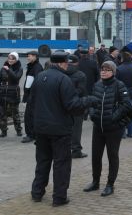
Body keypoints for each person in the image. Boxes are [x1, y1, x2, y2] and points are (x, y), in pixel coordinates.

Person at [30, 51, 89, 206]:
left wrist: (32, 127)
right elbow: (72, 105)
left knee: (42, 162)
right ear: (64, 63)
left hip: (41, 128)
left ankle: (37, 193)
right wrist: (87, 102)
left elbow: (31, 103)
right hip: (60, 130)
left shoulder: (40, 77)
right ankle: (59, 197)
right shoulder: (64, 79)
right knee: (61, 164)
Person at [83, 60, 132, 197]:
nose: (103, 72)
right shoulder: (97, 85)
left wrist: (113, 117)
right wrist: (92, 114)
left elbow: (126, 105)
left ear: (113, 72)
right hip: (98, 127)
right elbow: (92, 101)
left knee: (112, 156)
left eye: (107, 69)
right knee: (96, 156)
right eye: (102, 69)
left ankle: (110, 184)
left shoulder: (119, 85)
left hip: (114, 129)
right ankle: (95, 182)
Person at [0, 52, 24, 137]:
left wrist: (8, 69)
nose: (10, 60)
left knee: (15, 113)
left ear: (16, 59)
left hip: (14, 93)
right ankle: (3, 131)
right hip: (3, 93)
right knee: (2, 114)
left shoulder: (19, 68)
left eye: (13, 58)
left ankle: (18, 130)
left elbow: (16, 78)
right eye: (9, 58)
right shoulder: (3, 68)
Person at [66, 55, 88, 158]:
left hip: (63, 105)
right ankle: (76, 150)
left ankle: (64, 149)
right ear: (76, 63)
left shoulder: (61, 73)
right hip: (77, 105)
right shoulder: (81, 75)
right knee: (77, 129)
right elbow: (82, 90)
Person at [116, 51, 132, 137]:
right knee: (131, 113)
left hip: (121, 95)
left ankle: (122, 134)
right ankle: (131, 133)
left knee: (121, 113)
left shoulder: (119, 69)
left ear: (122, 58)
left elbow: (116, 83)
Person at [21, 51, 43, 143]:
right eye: (28, 56)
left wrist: (30, 96)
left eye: (29, 56)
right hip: (30, 95)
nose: (28, 58)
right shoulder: (32, 66)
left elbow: (35, 82)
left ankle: (31, 135)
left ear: (35, 57)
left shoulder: (37, 67)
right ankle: (32, 134)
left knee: (29, 116)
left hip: (33, 96)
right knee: (30, 116)